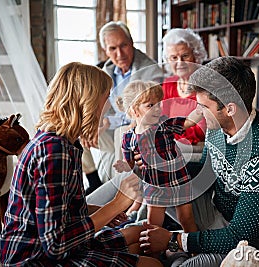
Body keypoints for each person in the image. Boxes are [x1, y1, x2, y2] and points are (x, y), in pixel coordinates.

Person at [0, 62, 162, 267]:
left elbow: (57, 209)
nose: (108, 108)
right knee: (153, 265)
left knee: (141, 233)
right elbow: (56, 245)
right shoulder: (53, 151)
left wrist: (98, 211)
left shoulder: (65, 143)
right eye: (105, 99)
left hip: (52, 248)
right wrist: (115, 205)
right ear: (88, 103)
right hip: (34, 259)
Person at [138, 57, 259, 267]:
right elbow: (208, 169)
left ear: (230, 109)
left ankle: (176, 250)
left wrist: (176, 240)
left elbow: (240, 234)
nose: (198, 112)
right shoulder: (219, 126)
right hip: (214, 209)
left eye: (203, 106)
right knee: (149, 182)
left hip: (244, 240)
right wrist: (162, 164)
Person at [82, 21, 163, 194]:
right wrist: (96, 121)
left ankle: (122, 194)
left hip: (137, 131)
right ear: (106, 51)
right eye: (112, 49)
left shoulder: (151, 71)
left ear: (131, 42)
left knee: (122, 132)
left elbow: (145, 113)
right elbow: (100, 106)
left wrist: (108, 121)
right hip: (112, 131)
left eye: (123, 45)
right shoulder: (107, 72)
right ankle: (94, 181)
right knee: (79, 127)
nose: (119, 54)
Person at [113, 80, 202, 234]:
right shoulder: (128, 138)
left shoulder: (164, 124)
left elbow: (188, 122)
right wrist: (123, 165)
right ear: (135, 110)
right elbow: (130, 163)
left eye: (159, 103)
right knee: (153, 223)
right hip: (154, 186)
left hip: (178, 180)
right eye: (150, 105)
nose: (158, 109)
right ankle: (154, 251)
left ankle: (192, 248)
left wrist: (200, 110)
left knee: (186, 219)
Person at [161, 28, 207, 147]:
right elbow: (160, 118)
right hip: (171, 142)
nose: (180, 63)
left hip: (195, 147)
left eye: (185, 56)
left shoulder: (205, 86)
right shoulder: (168, 84)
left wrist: (168, 133)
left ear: (196, 55)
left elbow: (201, 131)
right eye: (174, 58)